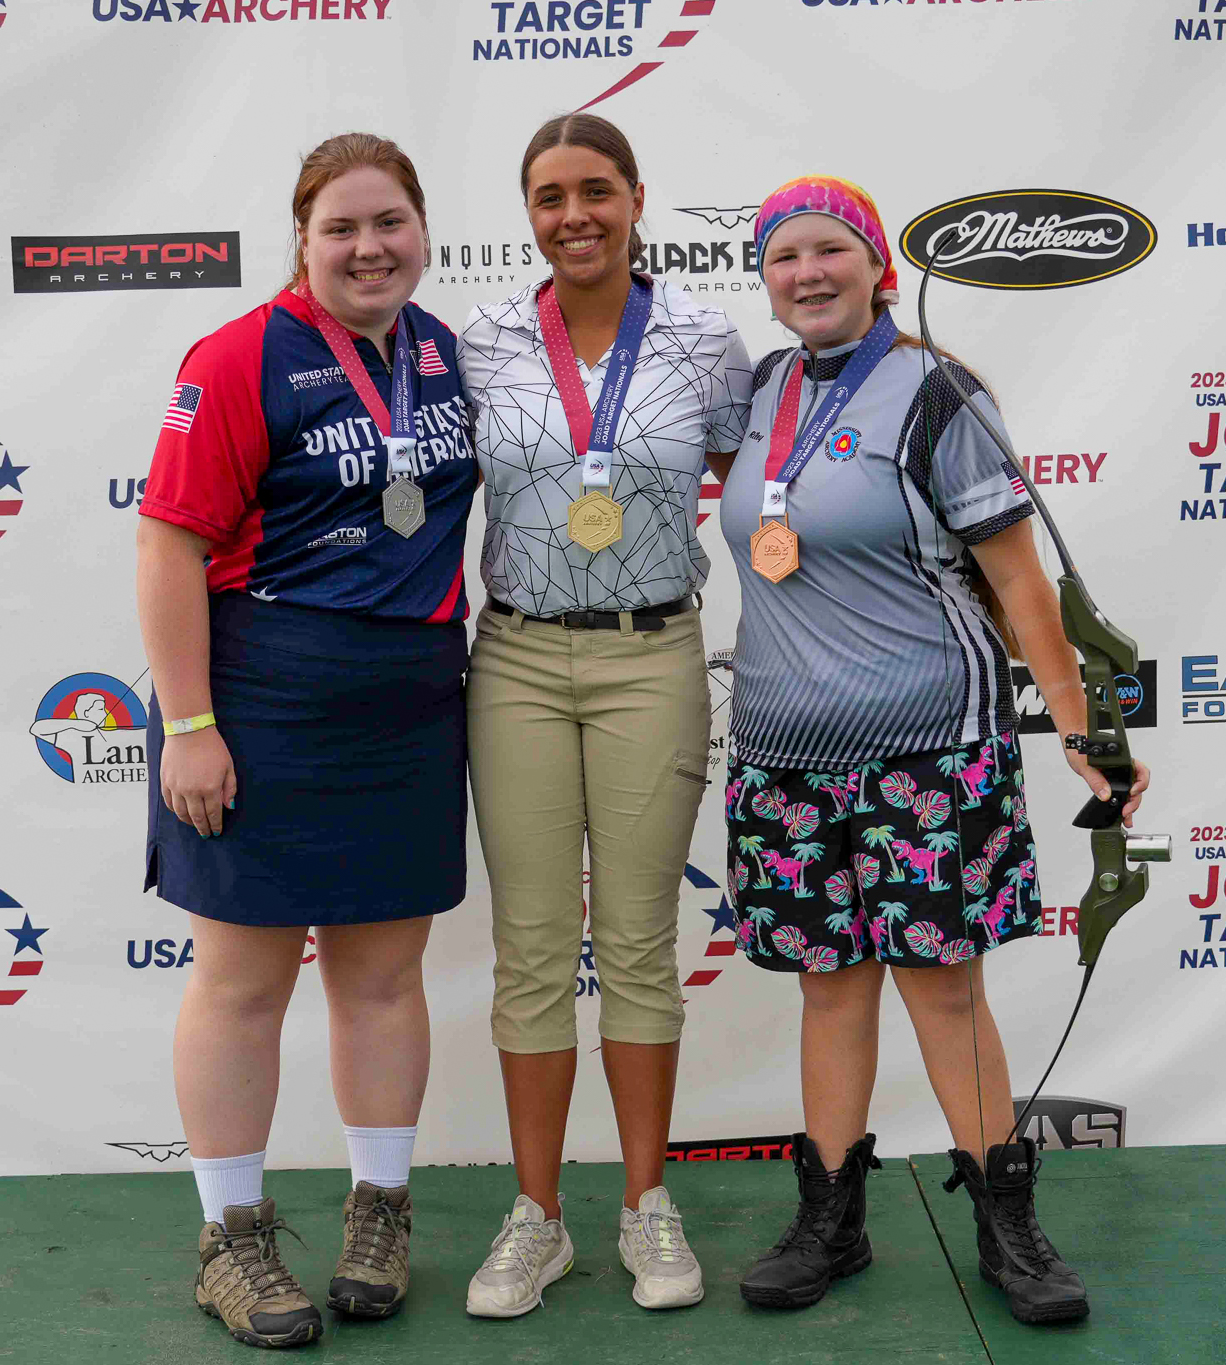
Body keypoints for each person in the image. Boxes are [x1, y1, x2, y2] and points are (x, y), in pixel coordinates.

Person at [714, 176, 1151, 1324]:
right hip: (781, 754)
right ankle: (831, 1220)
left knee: (943, 994)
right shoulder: (759, 393)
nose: (804, 273)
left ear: (876, 268)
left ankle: (1005, 1225)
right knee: (827, 991)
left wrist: (1079, 730)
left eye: (827, 251)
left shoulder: (937, 393)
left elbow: (1016, 578)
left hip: (928, 752)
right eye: (781, 258)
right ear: (763, 281)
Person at [134, 132, 479, 1349]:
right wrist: (188, 726)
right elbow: (169, 545)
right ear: (300, 238)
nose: (368, 246)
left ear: (422, 227)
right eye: (340, 227)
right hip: (265, 696)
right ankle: (230, 1240)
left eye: (388, 222)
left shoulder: (445, 353)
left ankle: (378, 1214)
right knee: (241, 987)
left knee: (382, 979)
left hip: (409, 700)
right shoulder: (237, 357)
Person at [455, 112, 753, 1317]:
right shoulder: (478, 342)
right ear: (526, 214)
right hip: (515, 661)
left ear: (636, 197)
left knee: (635, 941)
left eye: (593, 190)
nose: (571, 215)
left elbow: (771, 487)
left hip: (652, 655)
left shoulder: (702, 339)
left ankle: (645, 1205)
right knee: (531, 945)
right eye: (546, 197)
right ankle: (537, 1218)